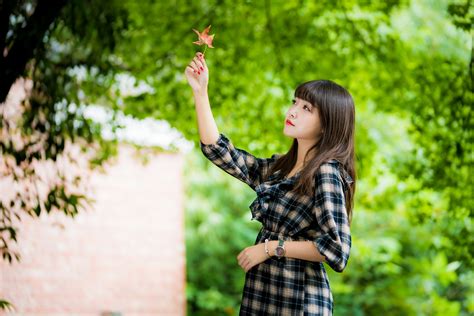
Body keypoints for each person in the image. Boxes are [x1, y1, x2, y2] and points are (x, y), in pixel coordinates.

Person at [185, 51, 355, 315]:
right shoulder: (281, 169)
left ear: (327, 125)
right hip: (263, 295)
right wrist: (200, 92)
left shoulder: (326, 173)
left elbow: (337, 249)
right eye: (295, 102)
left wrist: (270, 248)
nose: (293, 112)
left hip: (298, 302)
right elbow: (220, 151)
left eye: (306, 108)